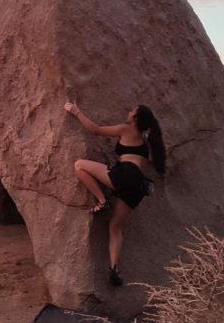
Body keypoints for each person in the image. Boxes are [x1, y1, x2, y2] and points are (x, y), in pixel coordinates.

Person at [63, 101, 166, 287]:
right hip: (138, 186)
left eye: (131, 110)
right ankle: (114, 269)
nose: (128, 111)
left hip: (125, 175)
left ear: (135, 118)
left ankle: (102, 201)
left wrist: (75, 111)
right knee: (115, 227)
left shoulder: (126, 129)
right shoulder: (144, 140)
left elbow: (95, 130)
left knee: (79, 165)